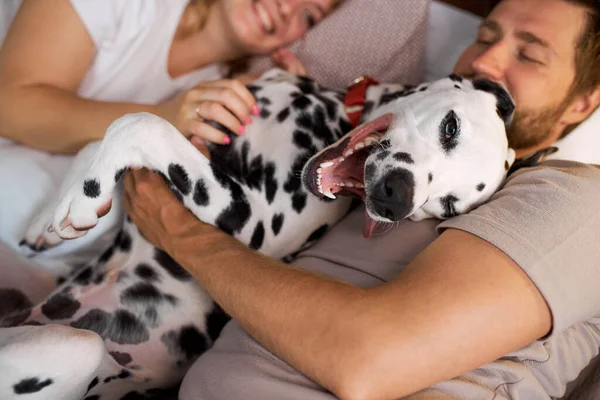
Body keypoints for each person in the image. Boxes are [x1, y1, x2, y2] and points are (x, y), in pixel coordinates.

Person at [124, 0, 600, 398]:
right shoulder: (390, 142)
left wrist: (178, 231)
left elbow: (368, 356)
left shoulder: (578, 201)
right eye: (484, 35)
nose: (484, 62)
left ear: (585, 101)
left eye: (529, 55)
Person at [0, 0, 333, 153]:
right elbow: (9, 106)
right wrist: (162, 121)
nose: (286, 7)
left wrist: (280, 101)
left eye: (307, 14)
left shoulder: (214, 92)